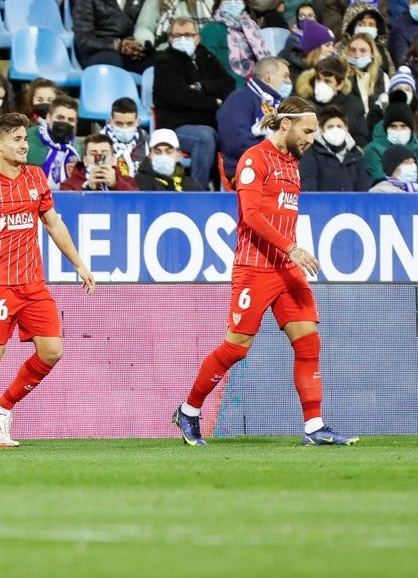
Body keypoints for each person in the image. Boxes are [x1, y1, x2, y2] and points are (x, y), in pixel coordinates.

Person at [174, 98, 358, 448]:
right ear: (285, 125)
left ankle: (315, 426)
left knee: (308, 342)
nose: (311, 139)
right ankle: (189, 410)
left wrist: (290, 252)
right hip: (255, 269)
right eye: (307, 131)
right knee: (237, 347)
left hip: (286, 269)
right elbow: (252, 215)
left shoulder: (292, 164)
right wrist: (292, 247)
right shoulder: (253, 160)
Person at [0, 112, 94, 447]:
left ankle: (4, 404)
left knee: (52, 352)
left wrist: (79, 264)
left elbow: (54, 224)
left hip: (33, 284)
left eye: (25, 139)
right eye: (16, 139)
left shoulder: (36, 178)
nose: (24, 145)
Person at [217, 56, 291, 182]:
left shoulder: (277, 105)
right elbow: (237, 141)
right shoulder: (239, 100)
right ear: (268, 77)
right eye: (285, 76)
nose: (289, 81)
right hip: (247, 172)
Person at [200, 0, 271, 88]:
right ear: (219, 2)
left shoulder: (251, 27)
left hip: (256, 85)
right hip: (229, 88)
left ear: (244, 3)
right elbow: (206, 66)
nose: (233, 2)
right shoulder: (212, 29)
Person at [298, 105, 370, 191]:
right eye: (330, 127)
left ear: (346, 128)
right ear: (321, 129)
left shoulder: (356, 154)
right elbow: (308, 187)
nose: (335, 130)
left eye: (339, 126)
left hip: (351, 204)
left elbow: (364, 187)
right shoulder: (311, 155)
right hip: (322, 204)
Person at [363, 91, 418, 180]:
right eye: (393, 126)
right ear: (386, 129)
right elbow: (378, 179)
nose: (398, 130)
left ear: (411, 129)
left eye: (403, 126)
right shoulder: (373, 150)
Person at [59, 133, 140, 190]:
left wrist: (116, 183)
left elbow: (137, 204)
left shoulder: (129, 182)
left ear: (113, 159)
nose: (99, 158)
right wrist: (88, 188)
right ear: (85, 160)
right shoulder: (69, 184)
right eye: (93, 153)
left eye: (104, 154)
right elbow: (70, 209)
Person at [135, 128, 206, 190]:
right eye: (157, 152)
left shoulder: (190, 185)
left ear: (178, 155)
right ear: (150, 156)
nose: (163, 156)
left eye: (168, 152)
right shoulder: (140, 182)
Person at [102, 97, 150, 177]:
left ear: (138, 122)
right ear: (110, 121)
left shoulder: (148, 143)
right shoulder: (98, 143)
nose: (124, 128)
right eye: (119, 123)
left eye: (130, 123)